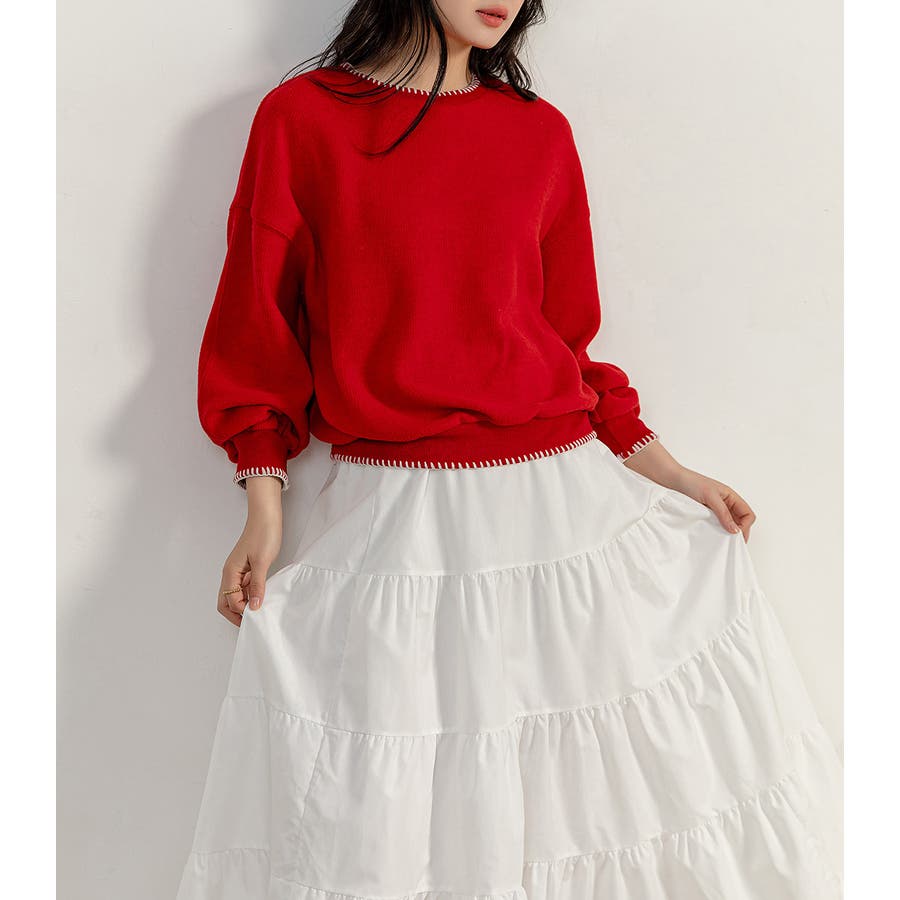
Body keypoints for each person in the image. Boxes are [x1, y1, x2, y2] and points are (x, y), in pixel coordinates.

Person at [176, 2, 843, 898]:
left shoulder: (538, 133)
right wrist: (263, 506)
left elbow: (565, 344)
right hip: (395, 517)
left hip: (559, 511)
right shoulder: (303, 119)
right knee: (391, 808)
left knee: (591, 802)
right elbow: (254, 331)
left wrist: (673, 474)